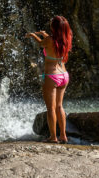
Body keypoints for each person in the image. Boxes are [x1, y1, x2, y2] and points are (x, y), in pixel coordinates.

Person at [26, 16, 72, 144]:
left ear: (54, 27)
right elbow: (50, 41)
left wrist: (32, 35)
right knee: (59, 106)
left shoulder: (49, 40)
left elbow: (41, 44)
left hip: (52, 76)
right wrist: (44, 34)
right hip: (64, 75)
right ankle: (63, 135)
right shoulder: (66, 39)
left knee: (50, 108)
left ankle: (53, 137)